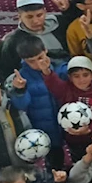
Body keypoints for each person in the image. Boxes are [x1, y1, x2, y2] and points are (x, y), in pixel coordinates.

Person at [8, 37, 66, 169]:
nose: (37, 63)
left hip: (66, 120)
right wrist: (20, 90)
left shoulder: (60, 67)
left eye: (40, 57)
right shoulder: (22, 77)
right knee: (54, 160)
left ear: (45, 50)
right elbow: (21, 105)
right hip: (44, 126)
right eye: (31, 61)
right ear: (24, 60)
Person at [42, 55, 92, 163]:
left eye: (85, 75)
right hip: (73, 139)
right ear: (70, 77)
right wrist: (46, 71)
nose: (81, 80)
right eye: (76, 76)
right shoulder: (66, 89)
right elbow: (54, 84)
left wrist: (89, 129)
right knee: (80, 162)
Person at [0, 0, 69, 81]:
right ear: (20, 17)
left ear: (45, 12)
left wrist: (69, 8)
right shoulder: (14, 40)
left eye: (39, 15)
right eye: (29, 17)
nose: (35, 21)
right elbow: (4, 70)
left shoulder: (60, 24)